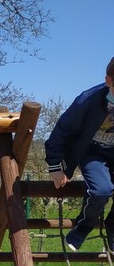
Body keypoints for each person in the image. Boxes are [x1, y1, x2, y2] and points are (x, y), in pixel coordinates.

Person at [46, 56, 114, 252]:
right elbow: (62, 131)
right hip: (92, 152)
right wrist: (55, 166)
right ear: (108, 81)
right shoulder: (88, 100)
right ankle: (82, 227)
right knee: (102, 190)